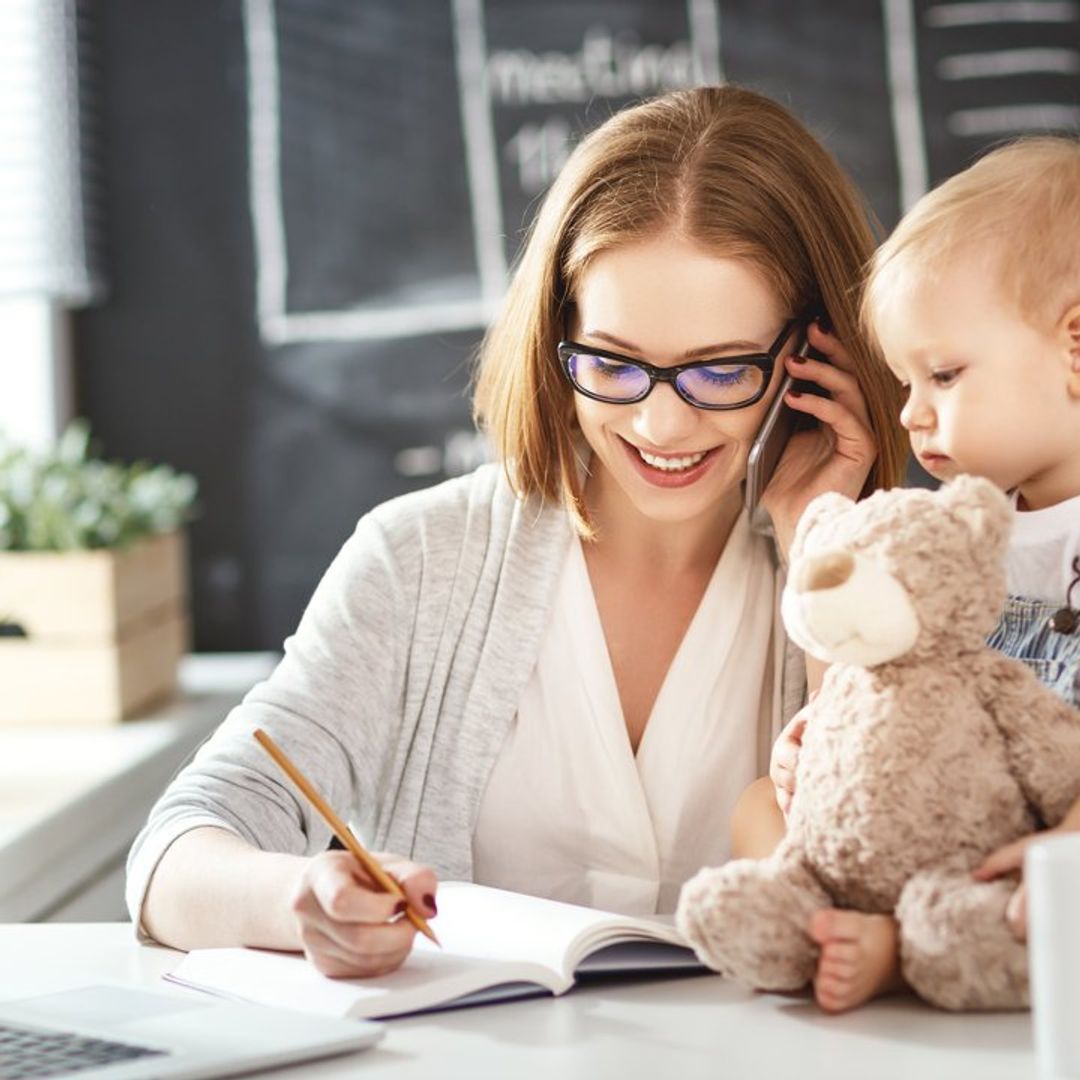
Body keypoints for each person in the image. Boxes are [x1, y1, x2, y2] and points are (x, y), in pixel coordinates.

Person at [127, 85, 905, 979]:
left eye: (719, 371)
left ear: (812, 358)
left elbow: (886, 882)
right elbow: (173, 860)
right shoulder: (421, 560)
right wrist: (299, 898)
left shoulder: (884, 577)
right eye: (613, 363)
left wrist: (823, 541)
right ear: (557, 337)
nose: (660, 427)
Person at [744, 135, 1080, 1013]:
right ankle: (856, 926)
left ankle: (903, 952)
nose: (911, 413)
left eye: (943, 374)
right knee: (753, 808)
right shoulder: (952, 531)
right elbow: (892, 671)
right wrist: (826, 736)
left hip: (1041, 853)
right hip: (950, 831)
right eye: (903, 380)